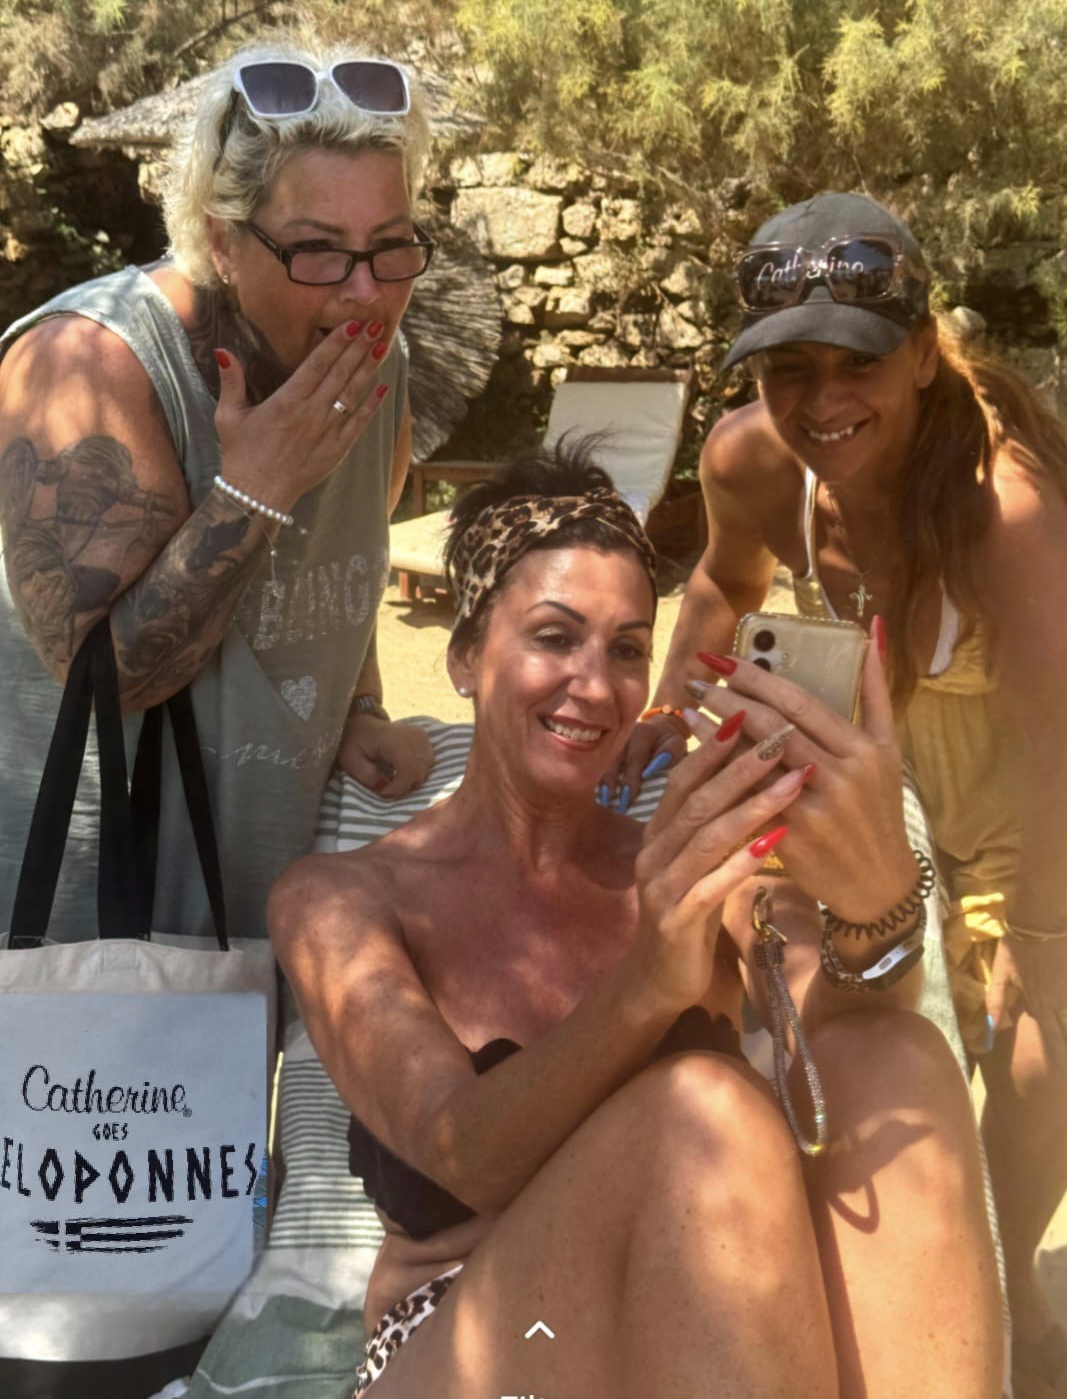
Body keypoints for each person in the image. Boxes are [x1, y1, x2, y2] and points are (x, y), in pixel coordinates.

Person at [270, 447, 1002, 1399]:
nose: (594, 684)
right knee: (698, 1106)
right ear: (463, 657)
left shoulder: (691, 865)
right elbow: (466, 1157)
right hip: (485, 1343)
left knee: (898, 1055)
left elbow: (844, 1037)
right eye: (553, 637)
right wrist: (647, 983)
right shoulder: (340, 900)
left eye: (625, 649)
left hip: (699, 1340)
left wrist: (877, 904)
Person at [618, 190, 1067, 1392]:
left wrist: (1034, 933)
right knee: (851, 1008)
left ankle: (1004, 1278)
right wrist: (663, 705)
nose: (819, 402)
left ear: (919, 355)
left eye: (855, 363)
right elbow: (719, 584)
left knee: (1035, 1053)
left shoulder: (1004, 508)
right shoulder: (748, 459)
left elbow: (1056, 736)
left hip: (1028, 799)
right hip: (886, 779)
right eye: (788, 370)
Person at [0, 36, 436, 939]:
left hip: (261, 884)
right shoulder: (90, 363)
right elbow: (106, 680)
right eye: (316, 249)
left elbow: (347, 557)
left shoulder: (376, 362)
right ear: (220, 240)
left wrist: (361, 705)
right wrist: (255, 489)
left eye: (390, 247)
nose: (365, 292)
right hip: (83, 911)